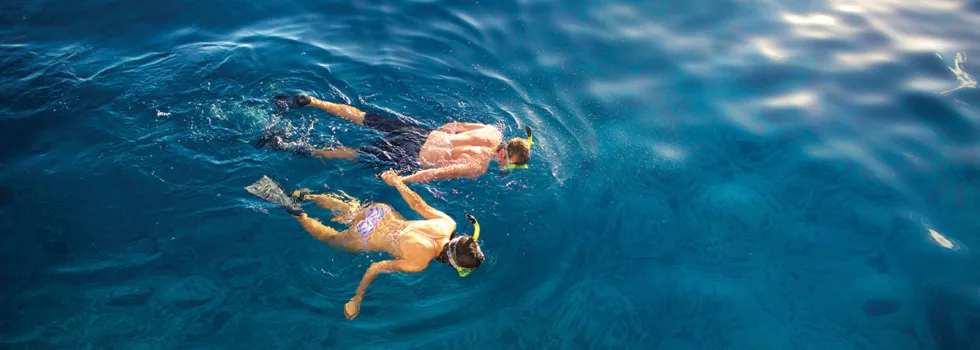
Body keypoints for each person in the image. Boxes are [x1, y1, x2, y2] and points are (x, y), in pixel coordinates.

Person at [244, 170, 486, 320]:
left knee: (348, 210)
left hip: (380, 211)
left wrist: (397, 182)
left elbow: (417, 205)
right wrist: (356, 298)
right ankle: (296, 211)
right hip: (366, 236)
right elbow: (375, 267)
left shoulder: (447, 223)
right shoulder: (418, 262)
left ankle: (304, 195)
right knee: (330, 239)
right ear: (453, 262)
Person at [256, 94, 535, 182]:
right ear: (504, 154)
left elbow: (455, 125)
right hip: (411, 155)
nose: (507, 167)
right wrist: (403, 181)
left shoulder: (493, 131)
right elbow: (435, 173)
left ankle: (312, 101)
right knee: (355, 154)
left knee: (364, 117)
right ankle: (286, 146)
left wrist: (437, 136)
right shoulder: (478, 166)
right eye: (510, 163)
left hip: (421, 133)